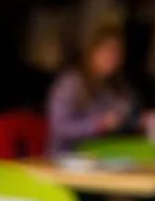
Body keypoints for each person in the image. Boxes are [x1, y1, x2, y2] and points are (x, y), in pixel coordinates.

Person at [46, 26, 135, 154]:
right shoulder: (71, 83)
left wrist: (139, 120)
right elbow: (60, 127)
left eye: (116, 52)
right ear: (92, 52)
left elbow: (123, 118)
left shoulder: (116, 86)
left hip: (102, 155)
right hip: (66, 157)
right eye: (106, 51)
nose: (111, 57)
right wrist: (97, 124)